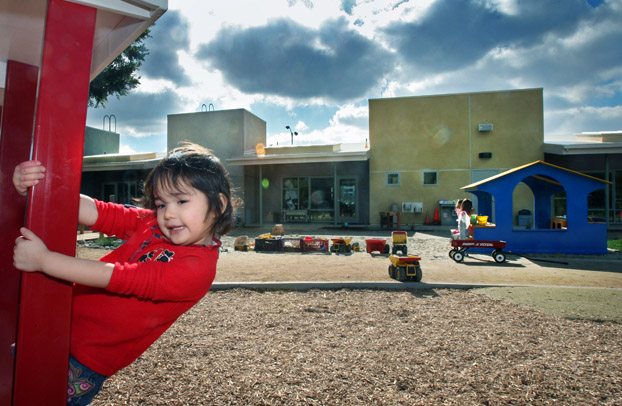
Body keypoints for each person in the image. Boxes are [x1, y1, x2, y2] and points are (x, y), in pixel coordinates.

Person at [12, 142, 235, 405]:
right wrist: (40, 188)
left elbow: (117, 276)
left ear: (218, 205)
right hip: (57, 325)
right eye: (161, 204)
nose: (168, 213)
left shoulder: (196, 269)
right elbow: (100, 212)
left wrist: (45, 261)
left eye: (181, 200)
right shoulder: (153, 225)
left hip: (84, 359)